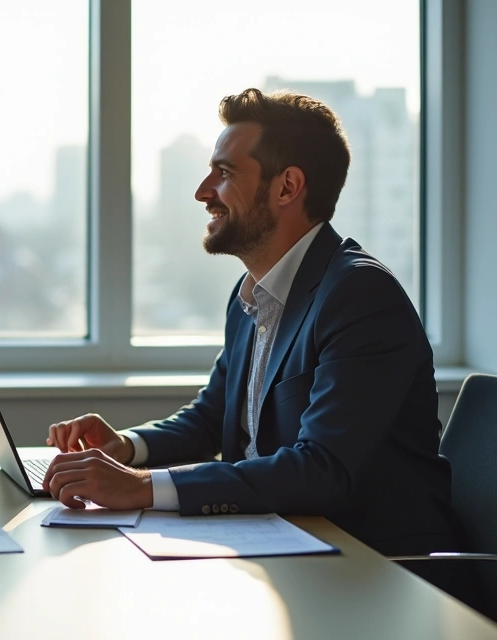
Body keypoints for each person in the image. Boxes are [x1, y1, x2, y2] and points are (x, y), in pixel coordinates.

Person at [42, 88, 457, 556]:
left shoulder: (360, 296)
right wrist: (126, 446)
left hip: (374, 569)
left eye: (224, 173)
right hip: (282, 545)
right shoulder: (253, 295)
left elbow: (321, 470)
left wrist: (140, 486)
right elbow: (212, 418)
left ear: (286, 187)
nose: (202, 192)